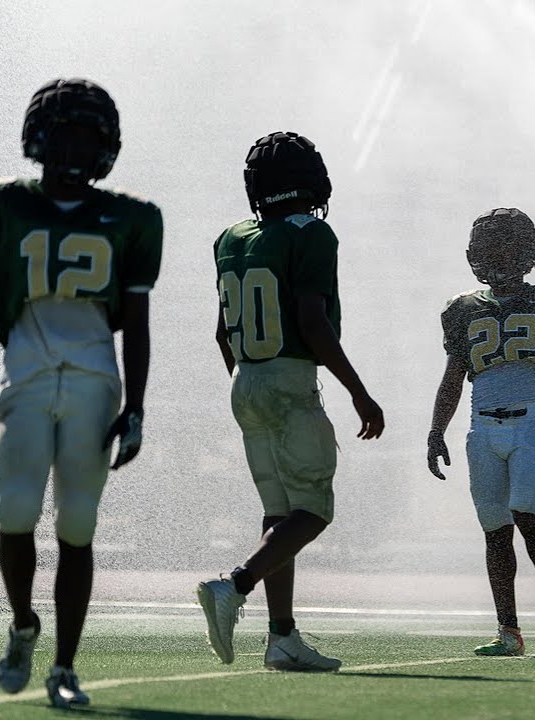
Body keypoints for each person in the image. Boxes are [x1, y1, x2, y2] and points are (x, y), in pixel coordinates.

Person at [0, 77, 163, 709]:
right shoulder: (2, 206)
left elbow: (137, 323)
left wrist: (137, 405)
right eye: (66, 133)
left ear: (107, 145)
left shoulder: (134, 217)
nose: (76, 148)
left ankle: (64, 665)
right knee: (13, 512)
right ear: (39, 136)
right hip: (28, 377)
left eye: (88, 136)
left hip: (95, 381)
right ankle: (23, 622)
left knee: (78, 526)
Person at [196, 131, 385, 673]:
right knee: (313, 511)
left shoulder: (230, 237)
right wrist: (358, 392)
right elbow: (311, 320)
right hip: (288, 378)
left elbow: (220, 334)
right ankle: (234, 585)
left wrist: (252, 385)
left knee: (279, 514)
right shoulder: (313, 233)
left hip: (246, 379)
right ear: (313, 181)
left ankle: (282, 638)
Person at [427, 207, 535, 657]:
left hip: (529, 422)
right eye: (489, 249)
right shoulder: (462, 309)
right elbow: (452, 378)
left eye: (506, 247)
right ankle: (508, 631)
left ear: (528, 253)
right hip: (479, 427)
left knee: (526, 513)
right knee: (494, 529)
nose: (497, 257)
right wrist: (434, 432)